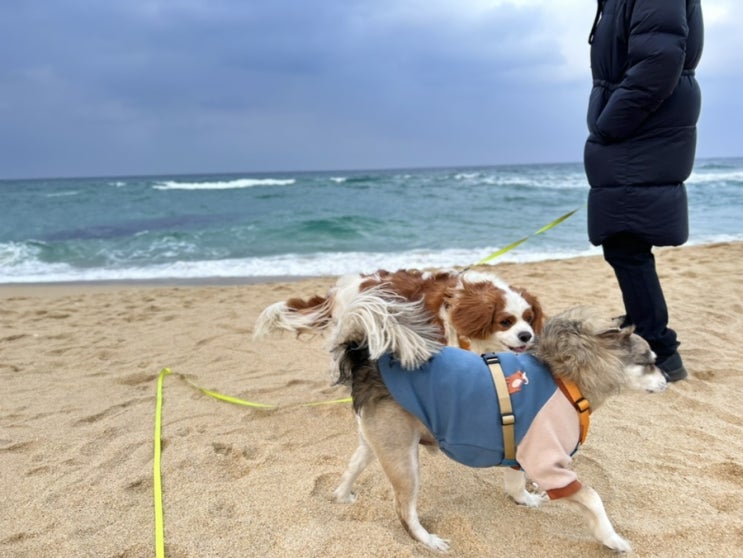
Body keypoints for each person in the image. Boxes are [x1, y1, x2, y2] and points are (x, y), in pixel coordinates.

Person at [583, 0, 704, 382]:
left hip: (641, 129)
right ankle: (642, 329)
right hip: (643, 128)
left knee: (625, 240)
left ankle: (658, 349)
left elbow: (658, 61)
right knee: (625, 237)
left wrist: (608, 123)